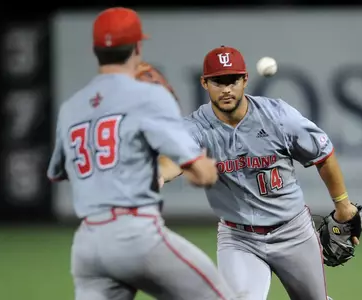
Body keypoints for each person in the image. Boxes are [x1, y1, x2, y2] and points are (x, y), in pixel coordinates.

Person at [47, 8, 239, 300]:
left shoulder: (71, 107)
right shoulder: (148, 95)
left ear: (95, 50)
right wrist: (207, 167)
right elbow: (201, 173)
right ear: (137, 47)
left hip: (88, 244)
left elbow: (57, 172)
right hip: (136, 235)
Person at [159, 45, 359, 300]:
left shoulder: (278, 117)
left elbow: (323, 154)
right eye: (218, 82)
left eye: (232, 80)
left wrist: (342, 204)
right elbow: (174, 159)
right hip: (238, 237)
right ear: (204, 83)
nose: (227, 89)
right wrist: (159, 174)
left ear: (245, 80)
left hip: (293, 232)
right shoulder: (197, 126)